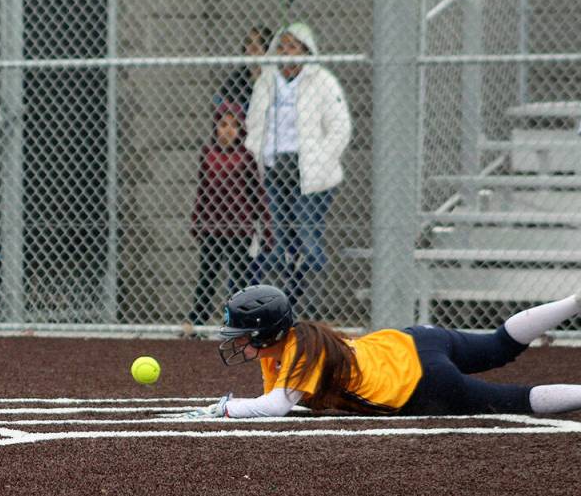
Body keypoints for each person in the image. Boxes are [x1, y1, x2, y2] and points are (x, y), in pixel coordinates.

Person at [180, 284, 581, 419]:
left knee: (513, 400)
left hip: (418, 384)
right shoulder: (293, 342)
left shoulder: (301, 348)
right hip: (411, 340)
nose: (238, 342)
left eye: (244, 335)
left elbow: (275, 407)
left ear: (267, 333)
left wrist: (225, 408)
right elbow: (280, 399)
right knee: (497, 345)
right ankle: (573, 301)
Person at [244, 22, 351, 314]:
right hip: (273, 167)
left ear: (306, 50)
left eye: (292, 46)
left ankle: (312, 310)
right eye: (281, 46)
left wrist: (320, 160)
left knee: (307, 238)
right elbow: (253, 124)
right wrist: (254, 160)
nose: (285, 52)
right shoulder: (266, 81)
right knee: (275, 240)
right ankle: (280, 308)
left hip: (311, 172)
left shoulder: (322, 81)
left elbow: (340, 128)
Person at [186, 102, 270, 329]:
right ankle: (199, 321)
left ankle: (240, 321)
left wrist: (267, 227)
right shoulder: (208, 154)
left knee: (240, 277)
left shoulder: (246, 157)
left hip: (239, 227)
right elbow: (202, 190)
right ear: (215, 127)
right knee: (207, 275)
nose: (228, 130)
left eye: (234, 125)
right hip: (212, 227)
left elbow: (257, 194)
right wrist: (197, 220)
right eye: (223, 124)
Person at [213, 25, 273, 113]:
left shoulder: (275, 78)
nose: (252, 47)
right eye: (249, 42)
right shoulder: (237, 79)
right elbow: (219, 103)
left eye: (260, 42)